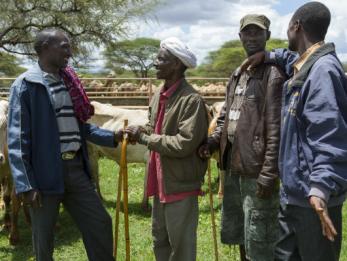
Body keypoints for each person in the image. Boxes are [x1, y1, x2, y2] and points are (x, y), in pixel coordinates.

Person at [241, 2, 347, 261]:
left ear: (296, 27)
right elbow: (291, 58)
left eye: (288, 26)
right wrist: (267, 56)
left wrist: (320, 188)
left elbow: (330, 133)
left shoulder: (323, 71)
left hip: (313, 200)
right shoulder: (307, 65)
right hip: (294, 195)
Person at [7, 29, 122, 261]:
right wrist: (26, 184)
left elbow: (80, 127)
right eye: (64, 46)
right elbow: (18, 140)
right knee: (44, 238)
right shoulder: (25, 86)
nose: (70, 52)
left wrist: (113, 136)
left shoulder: (69, 82)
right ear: (46, 47)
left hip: (75, 170)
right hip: (43, 175)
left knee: (100, 222)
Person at [198, 14, 286, 261]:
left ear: (267, 36)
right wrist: (214, 141)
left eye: (257, 32)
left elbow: (276, 128)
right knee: (241, 231)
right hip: (234, 166)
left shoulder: (273, 74)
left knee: (261, 235)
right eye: (247, 32)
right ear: (240, 37)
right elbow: (226, 116)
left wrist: (269, 172)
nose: (252, 37)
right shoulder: (238, 74)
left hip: (256, 169)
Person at [125, 37, 208, 261]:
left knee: (181, 248)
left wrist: (143, 137)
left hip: (179, 184)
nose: (155, 62)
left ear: (177, 64)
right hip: (160, 181)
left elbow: (183, 144)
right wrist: (141, 129)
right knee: (159, 241)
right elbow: (155, 126)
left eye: (161, 59)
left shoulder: (191, 100)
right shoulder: (158, 95)